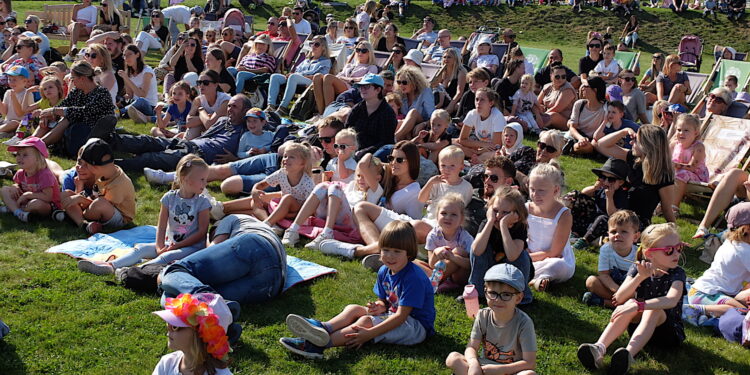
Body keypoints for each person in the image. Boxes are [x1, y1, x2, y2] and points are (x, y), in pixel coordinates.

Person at [279, 220, 435, 359]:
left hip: (416, 327)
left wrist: (369, 334)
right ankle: (323, 327)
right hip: (394, 313)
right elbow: (384, 301)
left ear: (409, 254)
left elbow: (401, 316)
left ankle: (318, 345)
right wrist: (379, 306)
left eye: (397, 251)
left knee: (365, 321)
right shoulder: (384, 271)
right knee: (353, 309)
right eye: (386, 250)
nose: (390, 256)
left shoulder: (413, 278)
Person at [577, 223, 686, 375]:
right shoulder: (637, 268)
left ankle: (627, 356)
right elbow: (619, 298)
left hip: (668, 333)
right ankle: (598, 348)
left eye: (679, 248)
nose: (676, 254)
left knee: (652, 310)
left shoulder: (677, 273)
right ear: (649, 254)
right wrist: (639, 277)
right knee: (629, 302)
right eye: (669, 250)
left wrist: (639, 306)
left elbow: (671, 300)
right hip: (639, 327)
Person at [78, 154, 211, 275]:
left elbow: (201, 232)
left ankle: (130, 272)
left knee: (165, 258)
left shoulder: (202, 202)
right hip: (171, 243)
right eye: (202, 179)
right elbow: (162, 225)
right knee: (141, 249)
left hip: (192, 248)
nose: (206, 183)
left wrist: (175, 247)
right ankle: (109, 266)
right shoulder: (169, 198)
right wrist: (160, 246)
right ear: (186, 179)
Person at [317, 141, 425, 261]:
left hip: (394, 228)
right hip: (376, 223)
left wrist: (371, 154)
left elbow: (413, 223)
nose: (393, 163)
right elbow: (363, 167)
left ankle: (361, 250)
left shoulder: (414, 191)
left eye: (399, 160)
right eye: (391, 158)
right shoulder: (389, 175)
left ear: (412, 162)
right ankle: (375, 250)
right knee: (356, 206)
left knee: (361, 207)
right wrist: (377, 160)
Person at [110, 94, 249, 172]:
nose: (230, 109)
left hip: (197, 156)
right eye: (229, 105)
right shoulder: (223, 120)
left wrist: (235, 160)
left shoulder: (247, 131)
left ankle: (111, 165)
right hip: (189, 144)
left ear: (245, 111)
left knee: (152, 158)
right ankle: (109, 139)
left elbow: (258, 158)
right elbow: (202, 132)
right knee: (148, 141)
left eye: (234, 106)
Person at [446, 263, 537, 375]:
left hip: (510, 370)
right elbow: (471, 347)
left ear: (518, 298)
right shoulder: (483, 315)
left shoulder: (524, 323)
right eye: (493, 293)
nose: (498, 300)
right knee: (453, 358)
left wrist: (500, 370)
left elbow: (529, 363)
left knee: (529, 374)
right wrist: (474, 364)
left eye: (506, 295)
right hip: (485, 367)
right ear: (485, 292)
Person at [281, 153, 384, 248]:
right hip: (335, 216)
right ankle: (293, 229)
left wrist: (370, 155)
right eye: (358, 176)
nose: (360, 179)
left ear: (377, 178)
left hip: (353, 221)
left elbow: (362, 164)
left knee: (335, 187)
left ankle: (327, 232)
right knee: (323, 186)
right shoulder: (352, 186)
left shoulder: (376, 190)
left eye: (365, 176)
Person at [594, 124, 676, 227]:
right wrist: (624, 131)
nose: (631, 142)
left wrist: (675, 232)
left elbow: (667, 208)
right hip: (615, 212)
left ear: (647, 145)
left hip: (636, 223)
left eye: (636, 140)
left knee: (603, 220)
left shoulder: (663, 176)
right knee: (577, 198)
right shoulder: (633, 159)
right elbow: (601, 144)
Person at [469, 185, 534, 303]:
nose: (498, 216)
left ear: (516, 214)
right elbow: (476, 251)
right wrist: (489, 222)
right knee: (479, 245)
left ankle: (522, 297)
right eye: (495, 210)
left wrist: (504, 226)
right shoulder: (488, 223)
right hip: (490, 267)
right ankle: (478, 292)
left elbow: (512, 256)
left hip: (512, 270)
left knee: (522, 255)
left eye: (505, 213)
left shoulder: (519, 227)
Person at [685, 202, 750, 321]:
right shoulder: (745, 251)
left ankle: (707, 314)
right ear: (745, 228)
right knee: (742, 312)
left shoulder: (732, 243)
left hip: (707, 291)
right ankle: (693, 310)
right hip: (706, 294)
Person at [38, 61, 116, 156]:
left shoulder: (102, 93)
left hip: (93, 130)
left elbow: (85, 112)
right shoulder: (77, 91)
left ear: (82, 79)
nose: (71, 81)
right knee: (50, 117)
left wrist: (55, 111)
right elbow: (63, 105)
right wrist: (48, 114)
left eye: (73, 78)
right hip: (77, 126)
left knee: (68, 117)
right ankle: (30, 142)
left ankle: (39, 145)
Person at [61, 139, 135, 235]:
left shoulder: (119, 184)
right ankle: (83, 224)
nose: (83, 168)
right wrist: (79, 197)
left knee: (100, 204)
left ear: (95, 167)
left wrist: (80, 199)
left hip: (118, 217)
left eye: (87, 165)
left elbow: (99, 205)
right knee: (65, 194)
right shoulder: (106, 173)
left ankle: (76, 217)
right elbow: (94, 198)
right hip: (97, 205)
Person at [151, 293, 232, 375]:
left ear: (199, 335)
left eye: (175, 326)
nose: (168, 329)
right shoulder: (167, 363)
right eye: (168, 323)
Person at [525, 164, 575, 292]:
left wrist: (526, 258)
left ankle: (527, 275)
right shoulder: (526, 209)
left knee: (558, 265)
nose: (535, 194)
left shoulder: (563, 214)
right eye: (532, 189)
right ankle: (537, 279)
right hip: (529, 253)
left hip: (552, 258)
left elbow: (555, 252)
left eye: (541, 190)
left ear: (555, 190)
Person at [569, 158, 631, 250]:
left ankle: (584, 241)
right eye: (603, 177)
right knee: (578, 197)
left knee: (603, 218)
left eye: (611, 179)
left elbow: (613, 216)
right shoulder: (602, 188)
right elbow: (584, 193)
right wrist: (595, 188)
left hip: (605, 224)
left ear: (621, 182)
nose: (606, 182)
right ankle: (575, 232)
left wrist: (609, 197)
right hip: (592, 218)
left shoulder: (621, 195)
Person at [582, 210, 640, 308]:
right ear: (608, 234)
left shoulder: (639, 253)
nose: (617, 235)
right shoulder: (606, 249)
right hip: (612, 287)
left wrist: (625, 293)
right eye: (613, 232)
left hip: (632, 290)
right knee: (591, 281)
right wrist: (618, 291)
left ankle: (604, 302)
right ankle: (622, 304)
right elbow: (604, 275)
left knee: (643, 295)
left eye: (624, 231)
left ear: (635, 236)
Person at [266, 35, 331, 116]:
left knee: (293, 77)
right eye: (311, 44)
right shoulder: (307, 60)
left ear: (323, 47)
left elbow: (321, 77)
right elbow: (297, 71)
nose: (313, 46)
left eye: (316, 44)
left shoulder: (325, 61)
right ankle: (271, 106)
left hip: (311, 81)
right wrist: (290, 74)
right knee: (275, 77)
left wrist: (297, 76)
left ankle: (283, 108)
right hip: (296, 79)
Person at [0, 137, 59, 222]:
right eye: (18, 154)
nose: (20, 157)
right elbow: (18, 185)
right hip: (26, 201)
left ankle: (13, 209)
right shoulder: (21, 173)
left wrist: (28, 195)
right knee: (4, 190)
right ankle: (19, 212)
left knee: (36, 204)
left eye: (25, 155)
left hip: (47, 205)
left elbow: (48, 197)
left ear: (38, 158)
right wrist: (14, 187)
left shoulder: (45, 175)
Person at [312, 41, 378, 115]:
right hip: (345, 84)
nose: (360, 53)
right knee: (317, 77)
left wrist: (349, 79)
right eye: (358, 50)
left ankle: (328, 113)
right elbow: (338, 76)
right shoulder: (350, 65)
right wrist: (350, 79)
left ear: (370, 53)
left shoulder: (371, 67)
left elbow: (366, 79)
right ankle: (321, 113)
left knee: (328, 77)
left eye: (364, 51)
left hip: (354, 90)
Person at [424, 193, 474, 292]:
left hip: (459, 276)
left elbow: (470, 265)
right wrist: (436, 252)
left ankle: (439, 282)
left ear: (461, 219)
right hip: (441, 271)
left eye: (454, 214)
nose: (448, 217)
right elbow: (431, 264)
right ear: (437, 216)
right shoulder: (433, 235)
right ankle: (442, 281)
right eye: (444, 213)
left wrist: (453, 257)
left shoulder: (466, 238)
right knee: (414, 263)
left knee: (458, 251)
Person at [344, 73, 398, 158]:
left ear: (378, 89)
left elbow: (386, 141)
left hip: (377, 154)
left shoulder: (388, 113)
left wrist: (365, 152)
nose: (362, 89)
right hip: (354, 150)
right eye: (361, 86)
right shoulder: (356, 109)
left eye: (367, 86)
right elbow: (346, 131)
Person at [419, 146, 473, 227]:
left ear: (461, 167)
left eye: (452, 166)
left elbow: (463, 210)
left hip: (450, 225)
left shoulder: (466, 187)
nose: (447, 169)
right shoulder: (436, 183)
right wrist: (430, 183)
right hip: (431, 220)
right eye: (443, 165)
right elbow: (421, 199)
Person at [456, 87, 505, 162]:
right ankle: (476, 157)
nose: (478, 103)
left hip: (495, 150)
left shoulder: (497, 116)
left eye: (482, 100)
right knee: (452, 142)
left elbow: (496, 146)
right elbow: (462, 139)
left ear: (491, 103)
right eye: (477, 99)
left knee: (496, 154)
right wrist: (481, 147)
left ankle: (475, 160)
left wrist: (480, 148)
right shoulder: (472, 114)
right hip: (481, 148)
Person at [567, 76, 608, 155]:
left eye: (585, 86)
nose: (582, 88)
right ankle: (572, 147)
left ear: (595, 90)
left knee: (588, 146)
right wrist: (580, 138)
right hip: (577, 136)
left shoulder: (606, 109)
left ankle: (570, 148)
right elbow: (572, 127)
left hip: (593, 141)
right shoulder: (579, 104)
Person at [184, 70, 230, 140]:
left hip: (225, 132)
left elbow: (209, 124)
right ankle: (183, 145)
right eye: (199, 83)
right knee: (193, 128)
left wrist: (201, 111)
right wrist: (207, 117)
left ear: (216, 85)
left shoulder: (225, 100)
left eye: (206, 83)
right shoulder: (198, 100)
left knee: (196, 127)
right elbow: (188, 122)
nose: (201, 86)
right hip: (208, 129)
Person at [120, 44, 159, 125]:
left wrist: (126, 79)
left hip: (148, 106)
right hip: (134, 103)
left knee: (141, 101)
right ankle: (126, 113)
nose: (126, 58)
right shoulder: (128, 73)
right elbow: (130, 95)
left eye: (129, 54)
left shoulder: (147, 71)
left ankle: (120, 112)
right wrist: (121, 99)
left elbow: (142, 95)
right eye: (124, 55)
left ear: (137, 55)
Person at [394, 66, 435, 141]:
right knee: (400, 122)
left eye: (404, 82)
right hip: (407, 125)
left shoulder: (425, 92)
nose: (401, 85)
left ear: (414, 82)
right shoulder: (400, 94)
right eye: (399, 82)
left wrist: (424, 124)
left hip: (423, 124)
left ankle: (395, 138)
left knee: (413, 112)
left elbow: (433, 117)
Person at [538, 65, 577, 130]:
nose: (560, 79)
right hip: (547, 114)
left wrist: (541, 115)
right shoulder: (547, 86)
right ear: (551, 76)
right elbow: (537, 102)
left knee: (553, 115)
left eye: (563, 77)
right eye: (557, 77)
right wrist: (540, 108)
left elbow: (557, 108)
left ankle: (535, 128)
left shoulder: (568, 89)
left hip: (566, 121)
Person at [433, 47, 467, 114]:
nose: (446, 59)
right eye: (444, 57)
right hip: (443, 100)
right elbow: (434, 86)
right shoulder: (442, 72)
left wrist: (450, 106)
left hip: (456, 101)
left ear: (455, 59)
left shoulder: (461, 72)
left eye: (449, 57)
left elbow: (459, 93)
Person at [0, 65, 31, 138]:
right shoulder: (8, 92)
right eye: (9, 79)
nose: (11, 82)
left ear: (24, 81)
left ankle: (5, 132)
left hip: (20, 124)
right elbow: (4, 112)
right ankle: (4, 131)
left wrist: (14, 97)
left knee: (15, 123)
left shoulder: (27, 94)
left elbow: (20, 114)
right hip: (7, 122)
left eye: (14, 80)